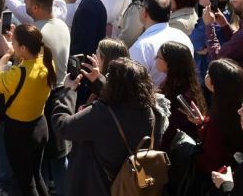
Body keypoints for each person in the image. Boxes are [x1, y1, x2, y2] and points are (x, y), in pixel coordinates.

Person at [52, 57, 166, 196]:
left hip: (98, 186)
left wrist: (68, 92)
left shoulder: (102, 114)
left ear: (114, 85)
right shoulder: (152, 111)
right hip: (133, 184)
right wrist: (98, 80)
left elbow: (63, 126)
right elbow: (122, 98)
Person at [0, 24, 55, 196]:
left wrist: (8, 54)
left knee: (26, 183)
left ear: (24, 47)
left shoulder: (18, 74)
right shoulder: (47, 62)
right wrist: (18, 44)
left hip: (19, 132)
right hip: (40, 125)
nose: (12, 45)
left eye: (15, 43)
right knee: (36, 175)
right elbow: (27, 64)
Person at [129, 0, 193, 86]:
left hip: (152, 99)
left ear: (145, 12)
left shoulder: (142, 47)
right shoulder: (183, 37)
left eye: (141, 6)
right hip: (182, 98)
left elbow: (134, 84)